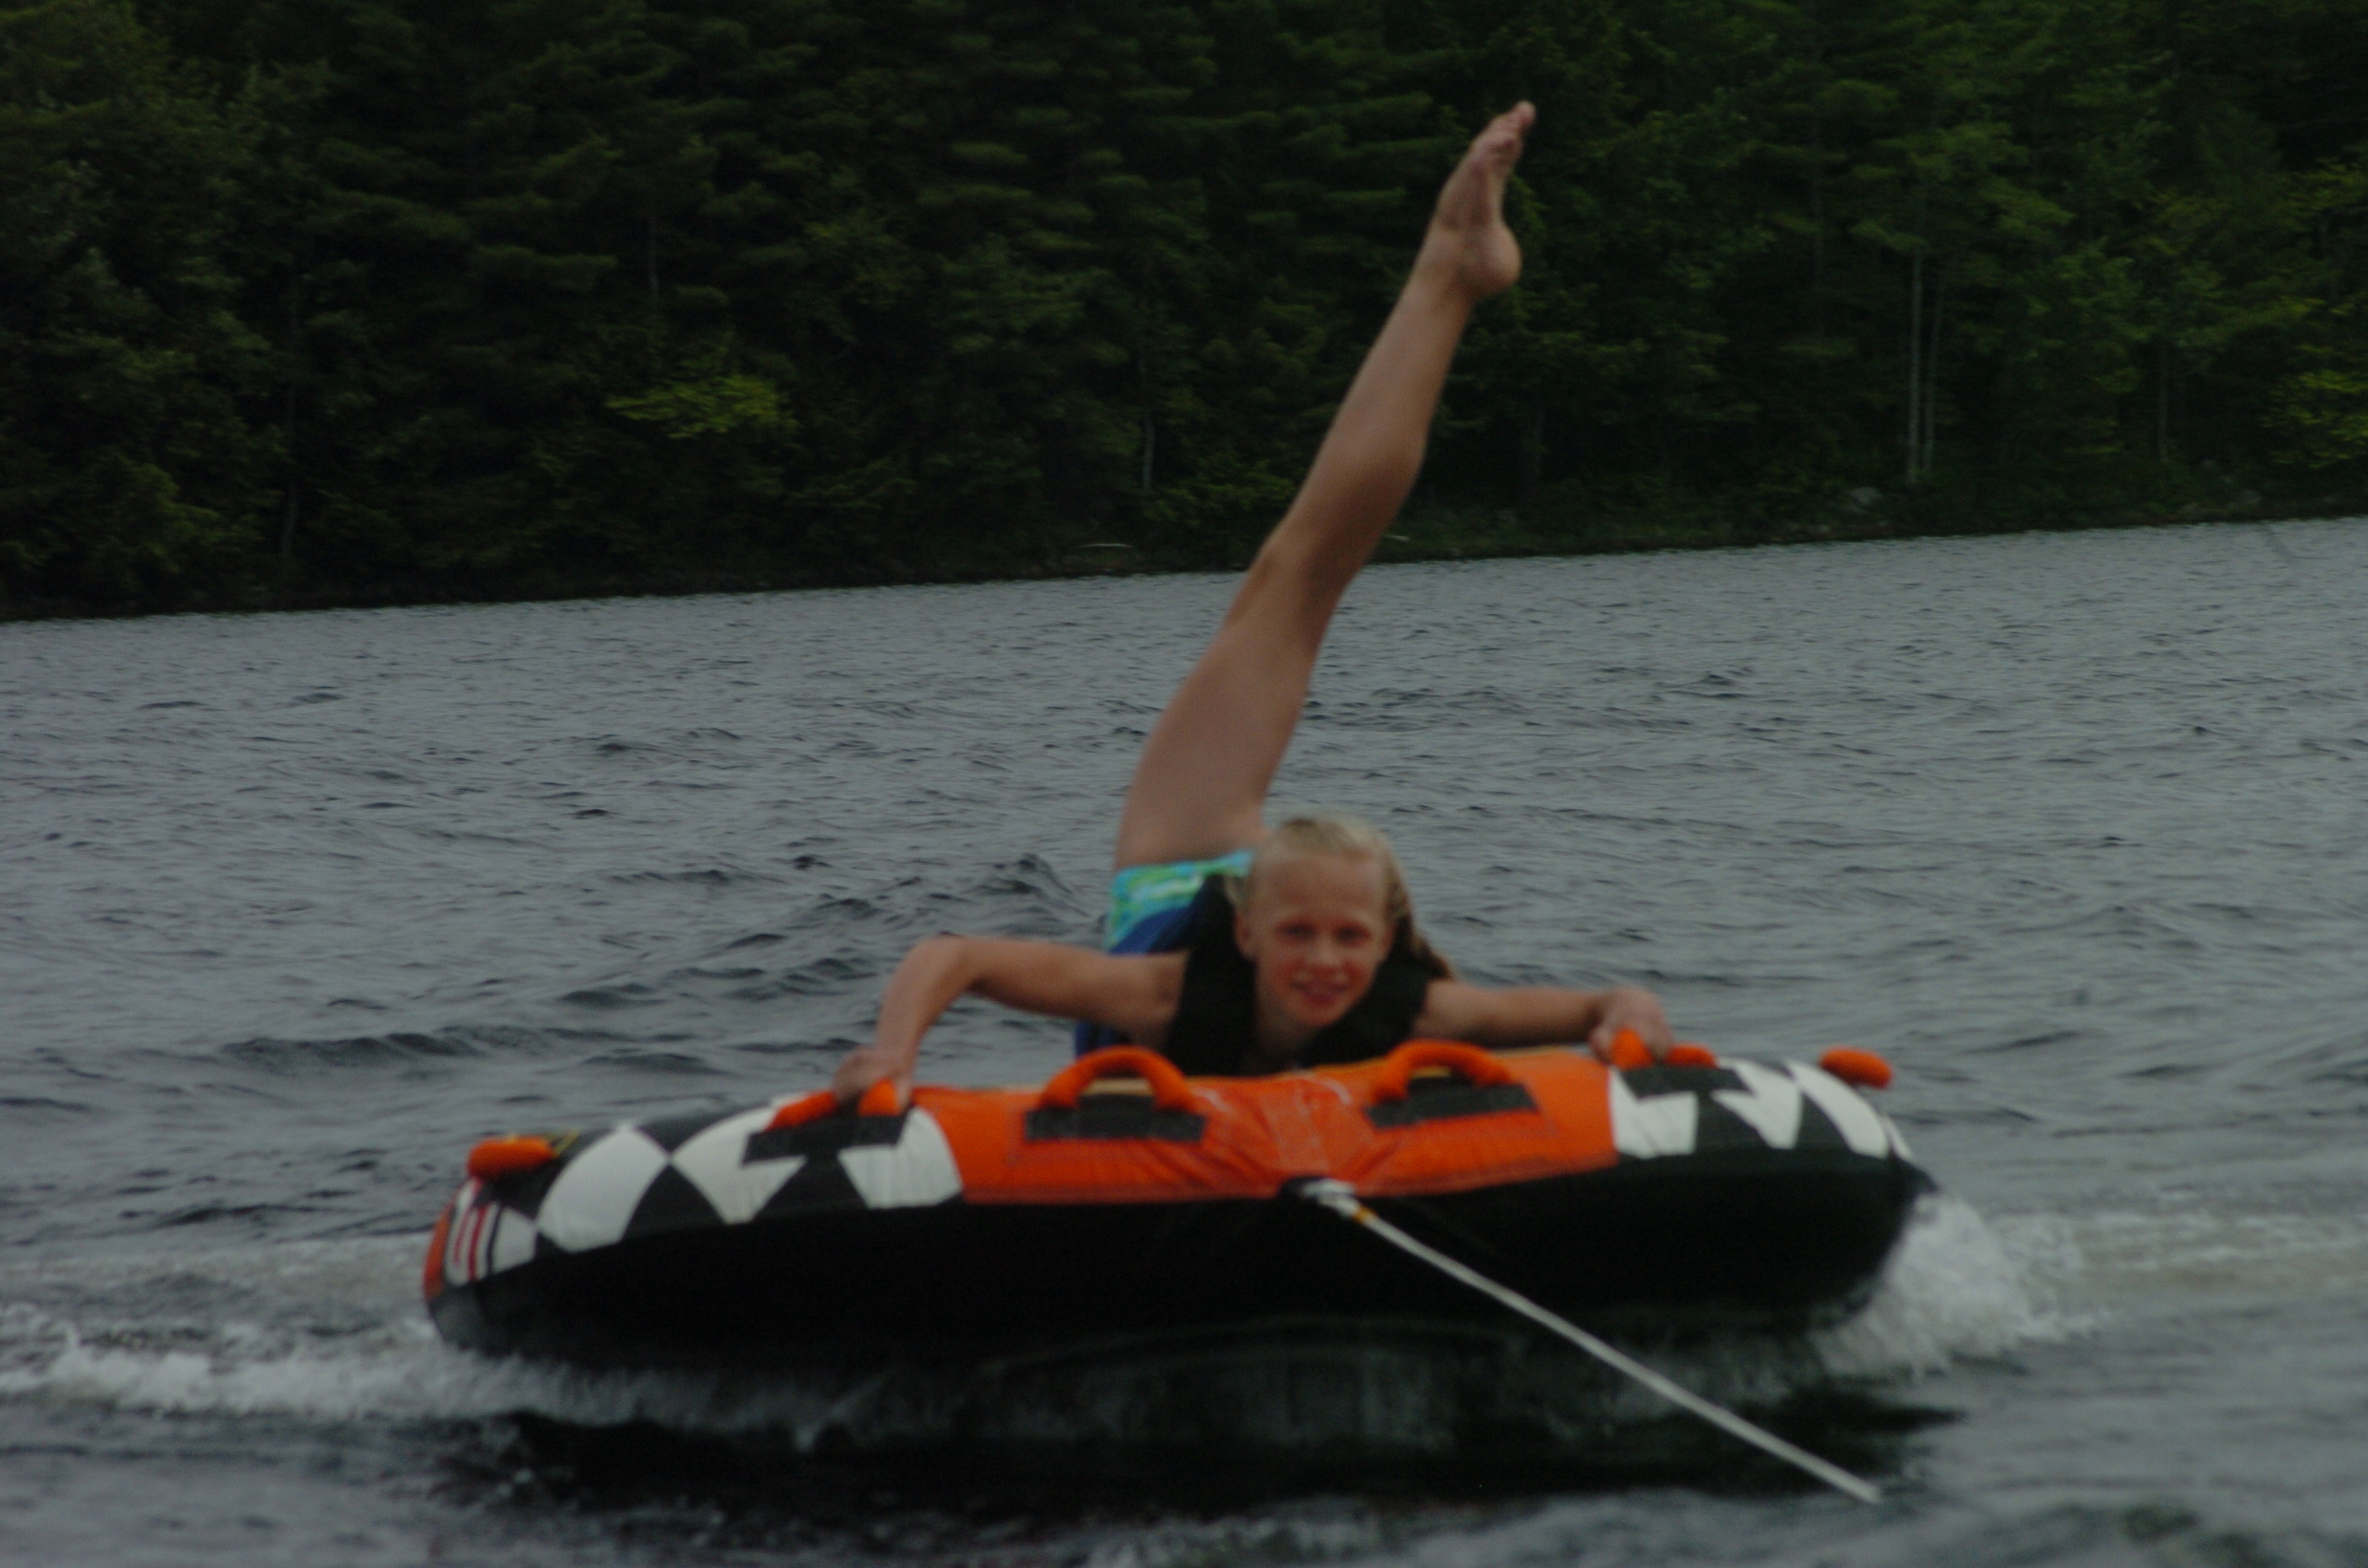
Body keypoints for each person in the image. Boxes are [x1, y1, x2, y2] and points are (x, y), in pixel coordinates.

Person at [831, 104, 1672, 1106]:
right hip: (1183, 856)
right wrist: (893, 1057)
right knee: (1298, 576)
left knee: (1304, 573)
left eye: (1349, 939)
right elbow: (953, 955)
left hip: (1217, 863)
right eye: (1297, 935)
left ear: (1385, 944)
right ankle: (1448, 265)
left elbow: (1612, 1000)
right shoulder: (1161, 993)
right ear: (1245, 932)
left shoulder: (1407, 1008)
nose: (1322, 963)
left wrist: (1631, 1024)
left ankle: (1452, 267)